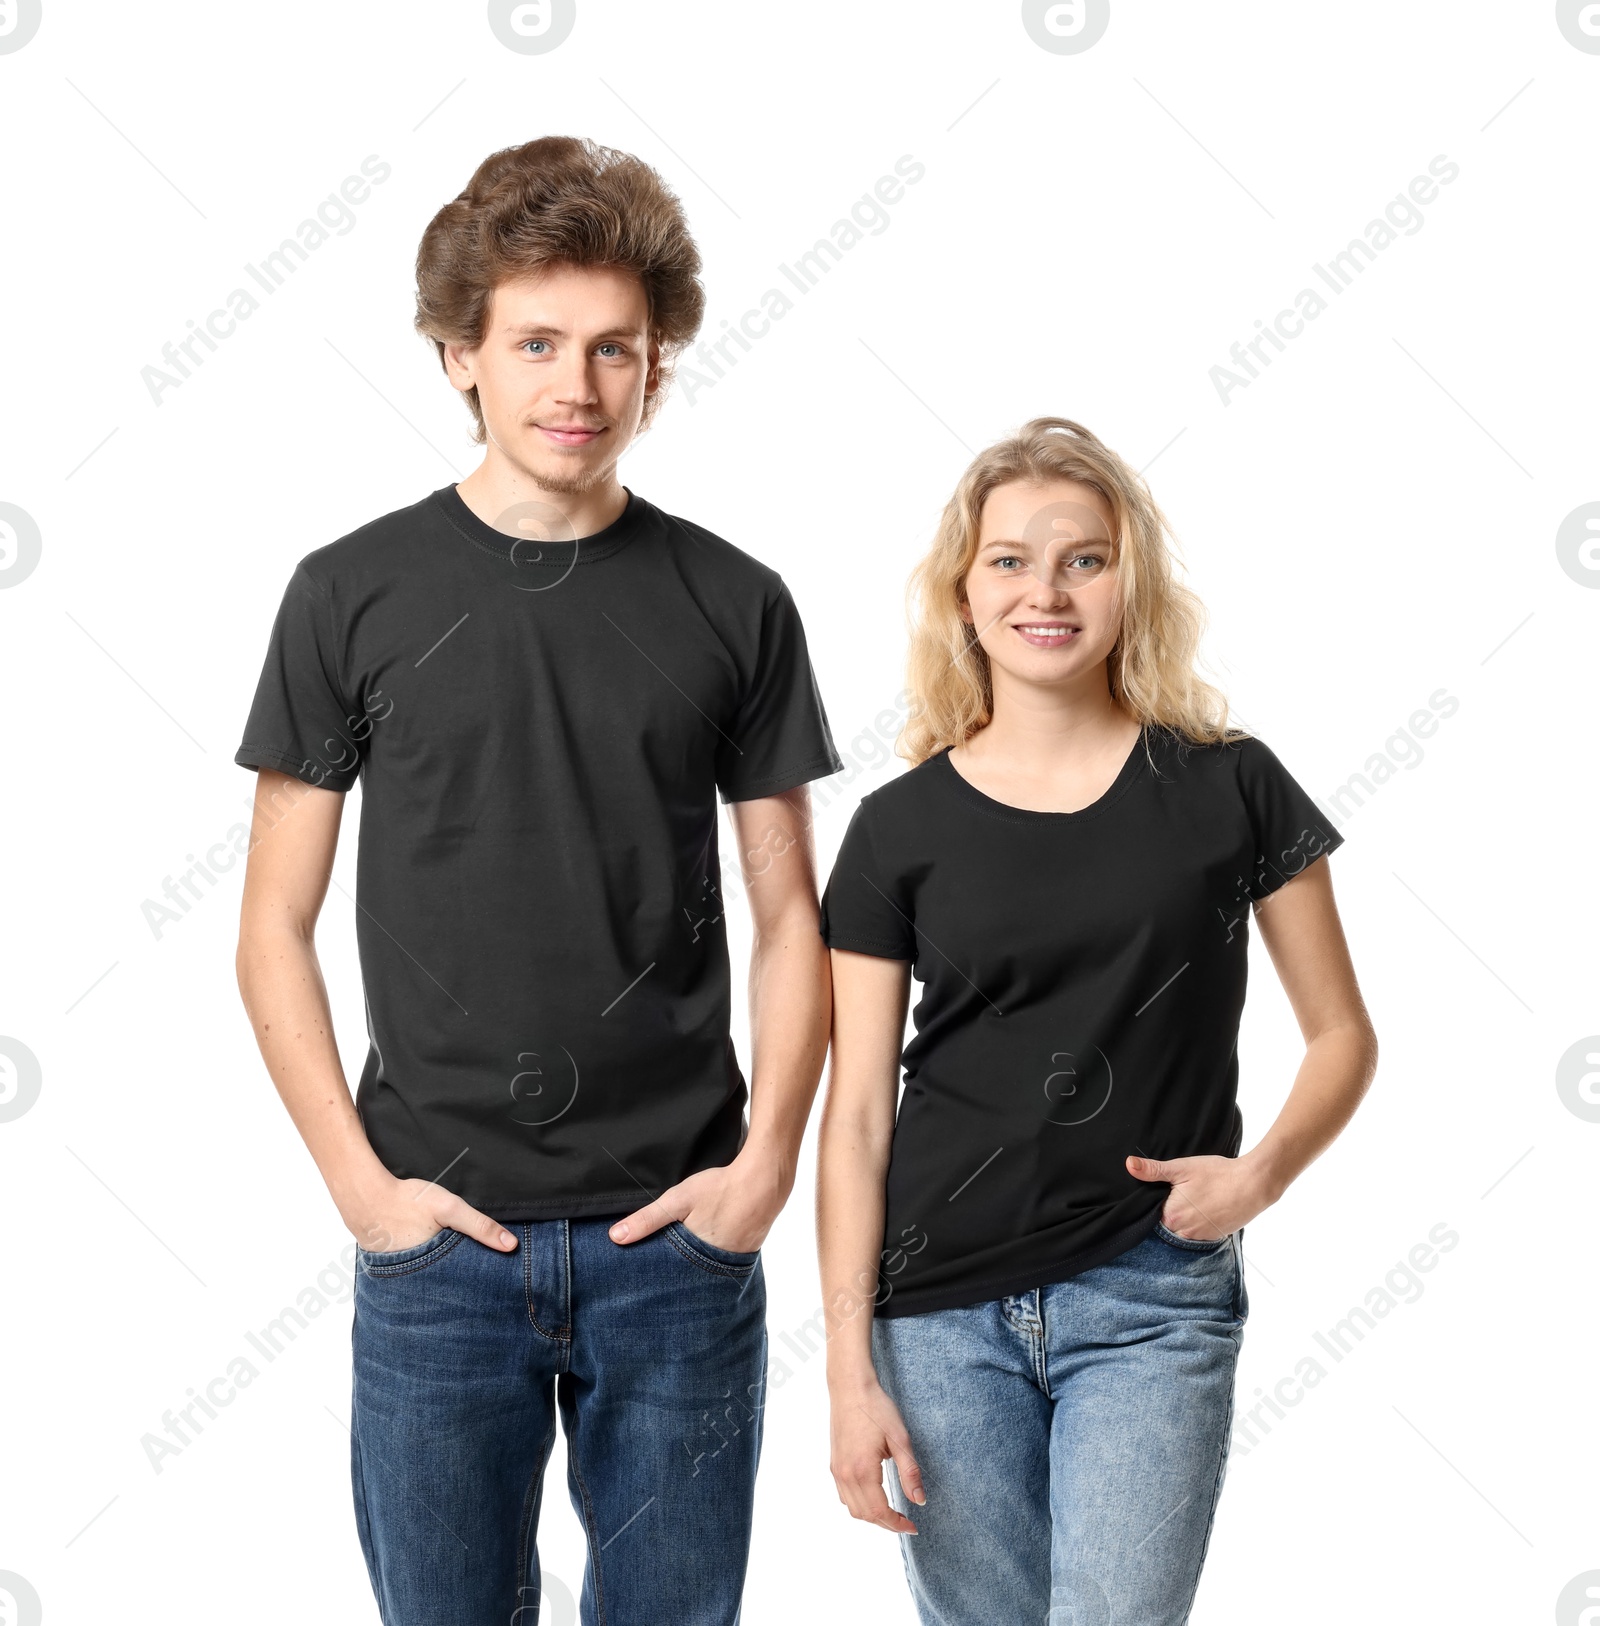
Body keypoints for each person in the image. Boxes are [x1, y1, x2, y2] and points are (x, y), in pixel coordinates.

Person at [233, 135, 842, 1626]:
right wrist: (362, 1188)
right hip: (441, 1245)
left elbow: (790, 918)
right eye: (537, 342)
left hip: (676, 1245)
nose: (578, 381)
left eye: (616, 348)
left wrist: (762, 1168)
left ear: (660, 368)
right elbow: (271, 926)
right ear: (459, 355)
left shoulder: (734, 602)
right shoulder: (350, 593)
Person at [815, 417, 1378, 1623]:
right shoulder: (896, 829)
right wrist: (846, 1370)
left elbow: (1342, 1033)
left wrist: (1260, 1175)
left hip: (1149, 1295)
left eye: (1084, 558)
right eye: (1009, 560)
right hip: (938, 1313)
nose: (1046, 591)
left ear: (1131, 581)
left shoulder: (1230, 785)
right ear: (962, 594)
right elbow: (856, 1117)